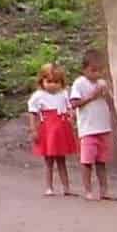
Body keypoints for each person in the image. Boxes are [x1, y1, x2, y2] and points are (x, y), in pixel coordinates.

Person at [68, 49, 117, 201]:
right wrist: (92, 96)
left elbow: (111, 103)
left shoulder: (102, 83)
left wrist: (106, 94)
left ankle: (104, 191)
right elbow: (74, 103)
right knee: (87, 161)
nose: (96, 74)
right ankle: (88, 190)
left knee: (102, 161)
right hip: (88, 129)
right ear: (85, 69)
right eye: (93, 70)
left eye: (100, 70)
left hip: (103, 127)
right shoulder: (79, 83)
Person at [26, 63, 77, 196]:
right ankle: (49, 187)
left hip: (61, 128)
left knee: (62, 160)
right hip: (47, 129)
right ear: (42, 81)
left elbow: (69, 108)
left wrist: (72, 116)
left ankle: (66, 187)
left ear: (61, 82)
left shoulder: (64, 94)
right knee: (49, 161)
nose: (53, 85)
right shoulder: (38, 96)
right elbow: (33, 113)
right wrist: (33, 129)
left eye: (56, 82)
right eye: (49, 82)